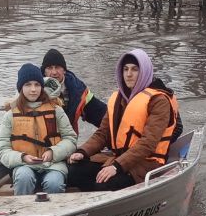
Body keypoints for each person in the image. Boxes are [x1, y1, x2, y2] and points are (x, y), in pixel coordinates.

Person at [67, 48, 181, 192]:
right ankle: (87, 206)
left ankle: (102, 206)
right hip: (118, 158)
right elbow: (103, 134)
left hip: (146, 162)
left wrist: (117, 166)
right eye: (125, 69)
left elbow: (148, 143)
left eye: (134, 69)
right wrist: (83, 151)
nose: (128, 74)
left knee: (105, 185)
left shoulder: (159, 101)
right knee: (73, 172)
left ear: (144, 72)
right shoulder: (118, 98)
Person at [0, 63, 77, 196]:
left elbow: (71, 139)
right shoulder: (10, 115)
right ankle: (23, 213)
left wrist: (53, 152)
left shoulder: (56, 110)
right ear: (21, 88)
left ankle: (55, 215)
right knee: (24, 178)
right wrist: (22, 157)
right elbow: (2, 150)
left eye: (37, 84)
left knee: (54, 183)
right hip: (24, 165)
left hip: (53, 164)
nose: (33, 89)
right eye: (28, 85)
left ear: (42, 86)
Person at [40, 48, 107, 133]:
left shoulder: (78, 90)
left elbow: (100, 113)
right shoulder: (34, 87)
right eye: (49, 68)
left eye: (57, 67)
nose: (54, 72)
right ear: (44, 72)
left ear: (64, 70)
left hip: (68, 140)